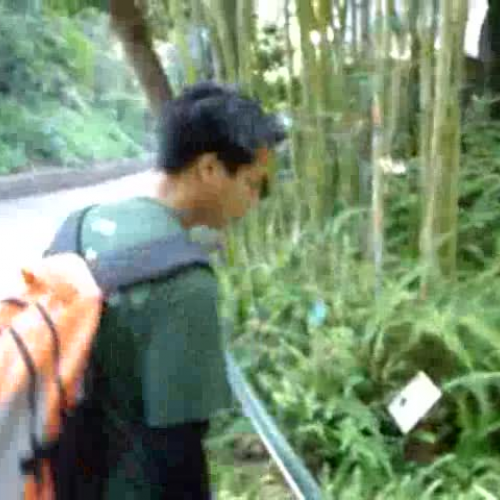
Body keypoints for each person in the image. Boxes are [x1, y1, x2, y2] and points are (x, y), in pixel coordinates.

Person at [46, 81, 285, 499]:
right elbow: (178, 449)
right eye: (252, 182)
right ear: (210, 169)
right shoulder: (184, 283)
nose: (255, 200)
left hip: (56, 477)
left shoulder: (79, 224)